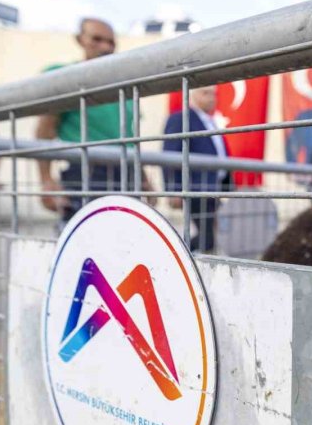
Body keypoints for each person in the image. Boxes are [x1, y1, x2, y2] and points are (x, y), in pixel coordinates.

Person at [35, 17, 153, 222]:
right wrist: (46, 180)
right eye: (97, 39)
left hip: (126, 172)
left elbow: (130, 137)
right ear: (80, 39)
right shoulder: (64, 76)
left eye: (110, 42)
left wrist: (143, 178)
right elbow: (45, 129)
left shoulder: (124, 88)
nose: (105, 47)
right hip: (85, 173)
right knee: (84, 244)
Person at [162, 85, 229, 252]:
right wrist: (174, 190)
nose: (212, 98)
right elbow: (170, 155)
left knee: (210, 236)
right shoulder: (181, 119)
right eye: (206, 93)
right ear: (192, 96)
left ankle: (186, 258)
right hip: (196, 187)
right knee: (207, 238)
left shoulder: (211, 122)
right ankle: (176, 254)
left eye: (214, 94)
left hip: (213, 189)